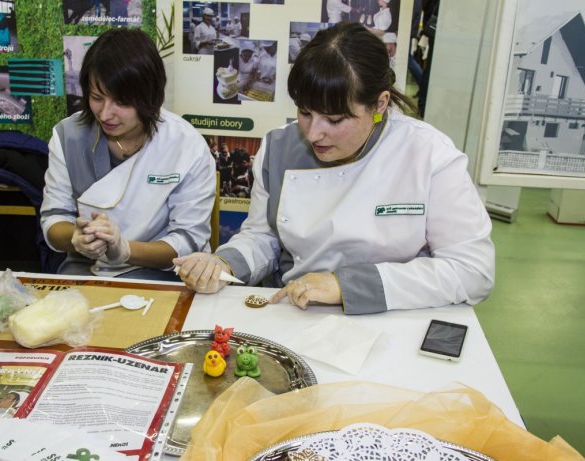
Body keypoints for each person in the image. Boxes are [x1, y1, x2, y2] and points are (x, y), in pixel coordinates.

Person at [174, 22, 494, 315]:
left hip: (395, 315)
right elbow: (263, 237)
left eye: (335, 120)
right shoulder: (278, 149)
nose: (314, 134)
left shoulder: (428, 155)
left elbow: (473, 271)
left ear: (380, 104)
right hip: (297, 312)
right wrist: (221, 263)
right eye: (304, 112)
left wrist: (345, 284)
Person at [41, 28, 215, 280]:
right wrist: (75, 238)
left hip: (158, 276)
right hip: (84, 272)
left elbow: (188, 240)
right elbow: (53, 219)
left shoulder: (185, 146)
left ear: (150, 97)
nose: (105, 114)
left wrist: (124, 249)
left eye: (122, 102)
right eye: (96, 97)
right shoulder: (69, 136)